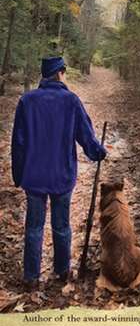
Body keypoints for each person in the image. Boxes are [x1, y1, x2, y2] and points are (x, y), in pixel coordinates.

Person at [11, 57, 107, 291]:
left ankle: (31, 276)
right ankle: (62, 271)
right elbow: (85, 135)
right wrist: (98, 152)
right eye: (64, 72)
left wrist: (18, 175)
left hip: (33, 176)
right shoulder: (71, 101)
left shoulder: (27, 101)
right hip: (62, 175)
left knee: (34, 226)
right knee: (61, 225)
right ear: (60, 73)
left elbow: (18, 144)